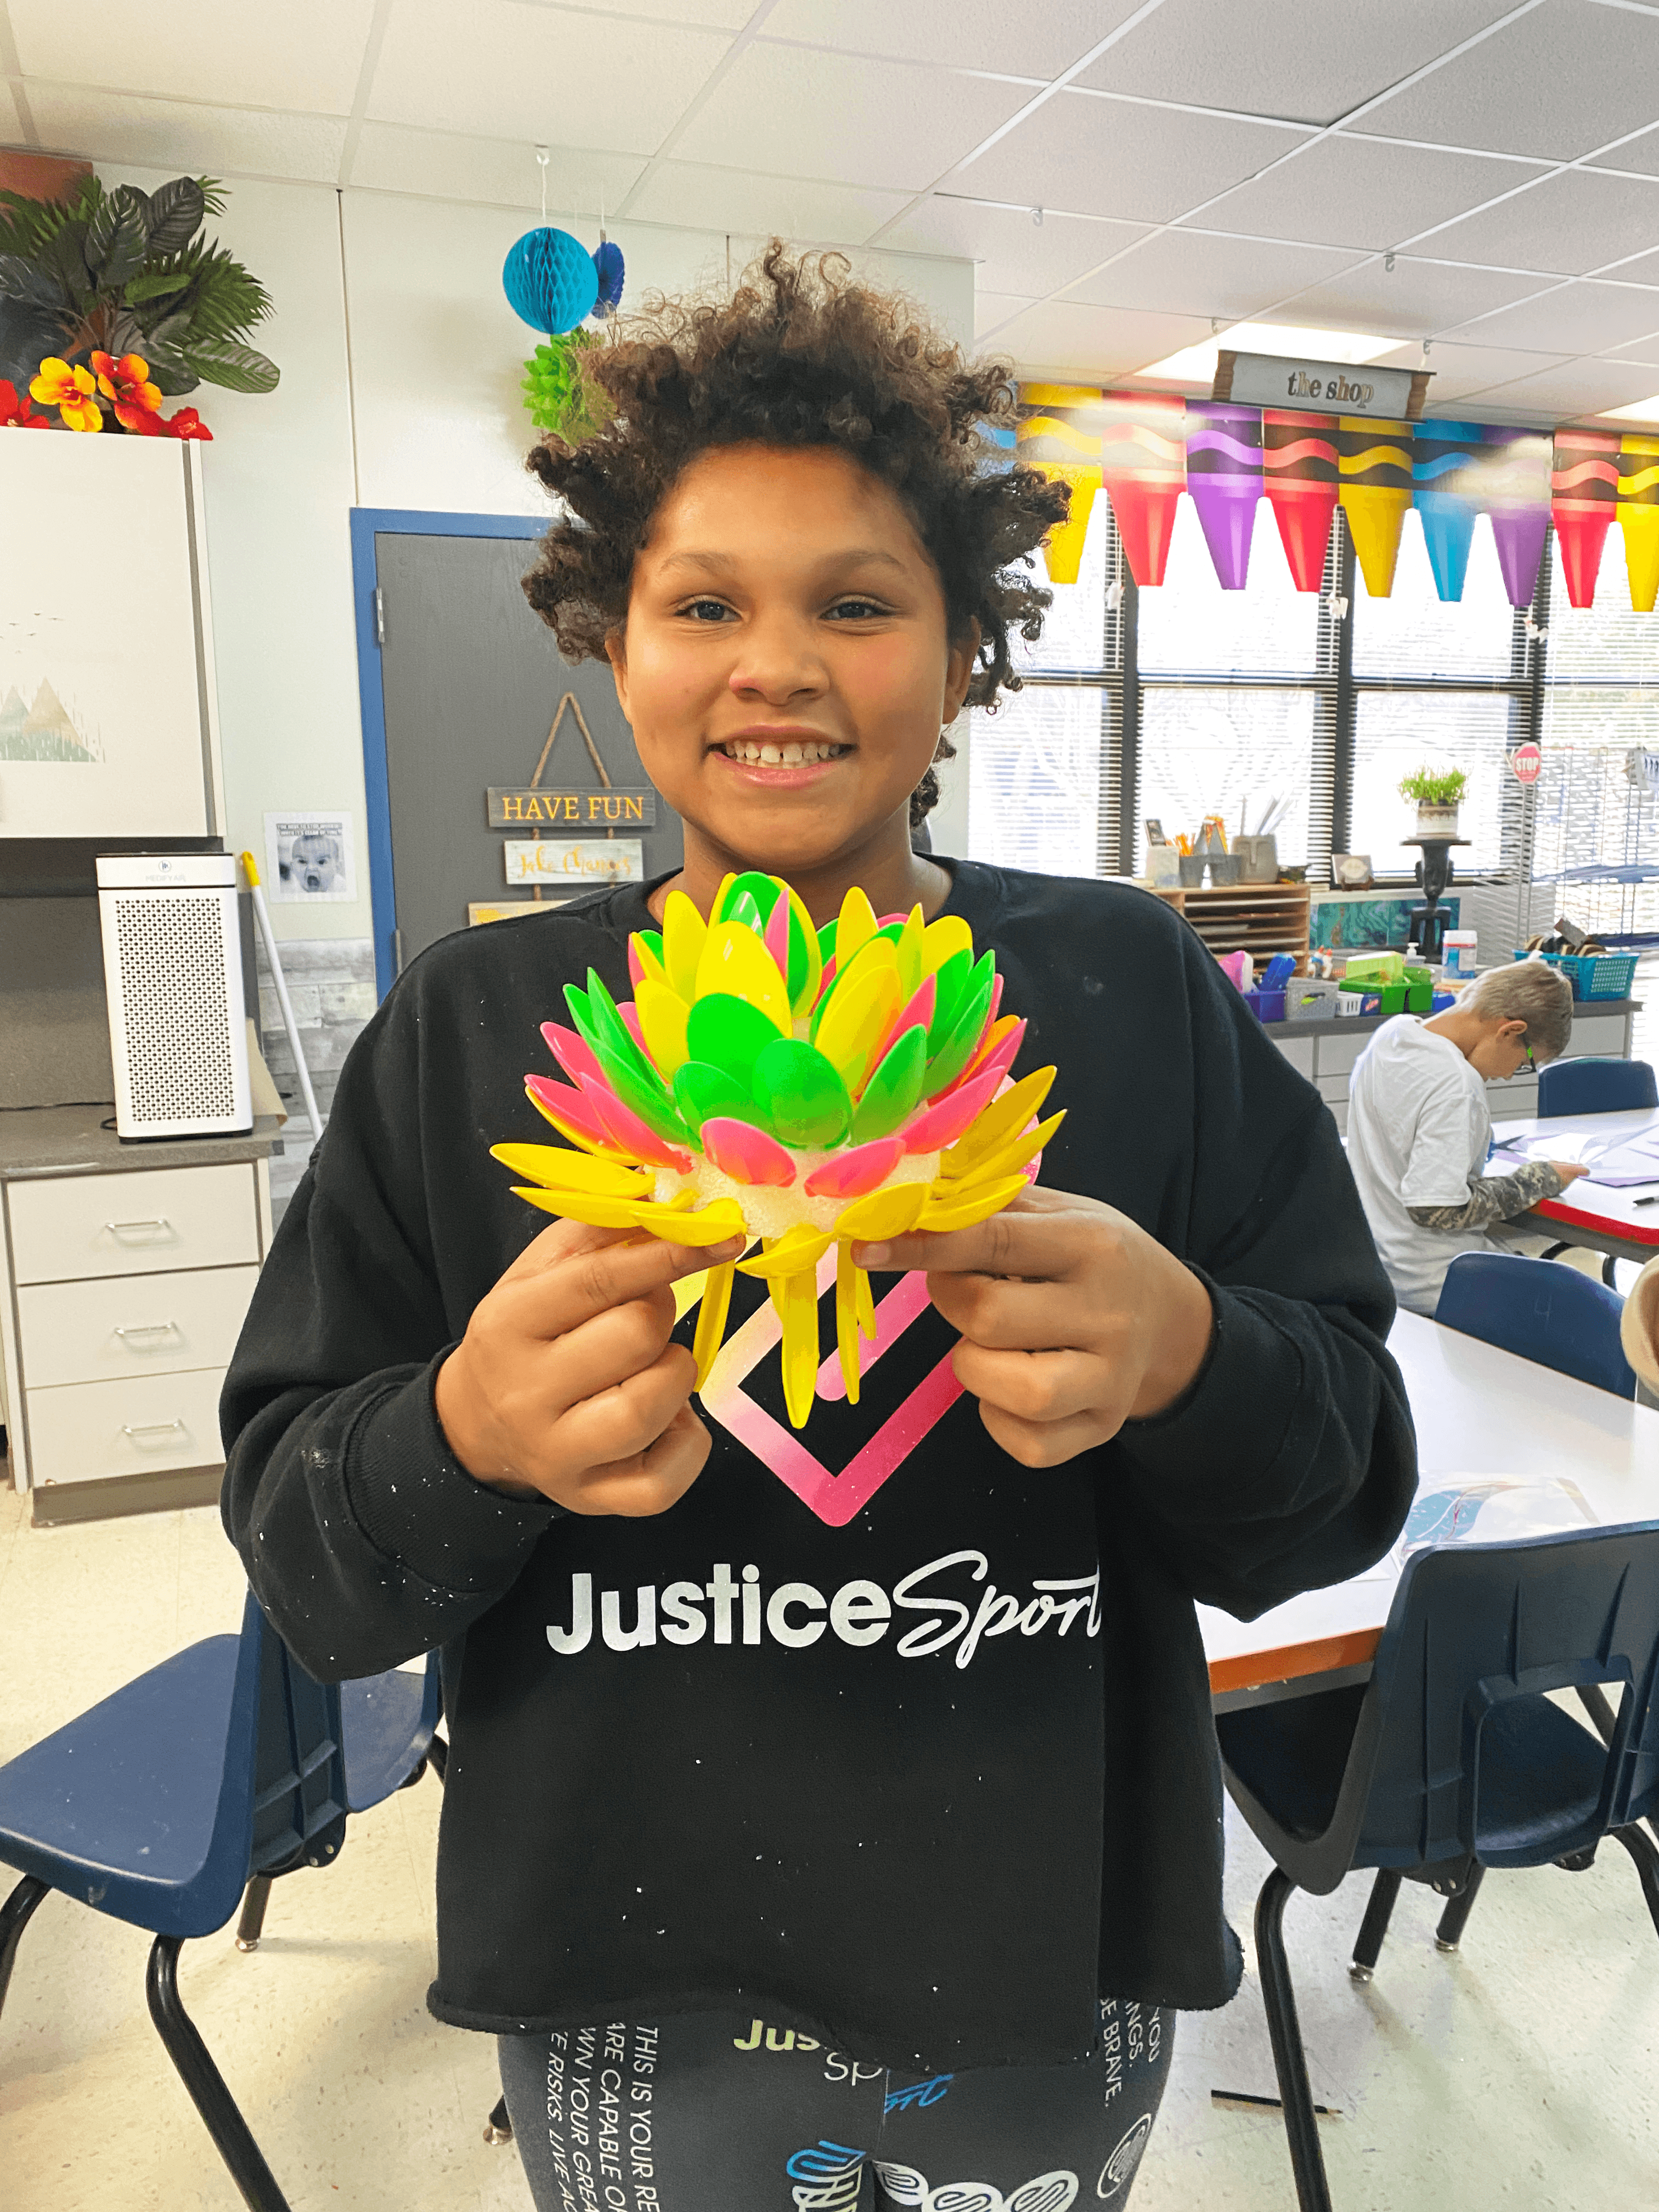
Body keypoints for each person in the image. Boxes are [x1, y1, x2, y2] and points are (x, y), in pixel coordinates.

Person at [221, 247, 1415, 2210]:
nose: (773, 660)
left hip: (1050, 1947)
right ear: (612, 640)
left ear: (960, 655)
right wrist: (467, 1439)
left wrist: (1188, 1351)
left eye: (855, 603)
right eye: (702, 602)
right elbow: (311, 1564)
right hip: (626, 1966)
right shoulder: (468, 1027)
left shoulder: (1126, 986)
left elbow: (1340, 1482)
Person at [1346, 959, 1585, 1319]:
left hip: (1373, 1266)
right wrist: (1537, 1181)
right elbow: (1436, 1209)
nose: (1508, 1076)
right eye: (1525, 1062)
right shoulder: (1457, 1084)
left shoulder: (1392, 1035)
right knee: (1581, 1305)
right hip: (1434, 1280)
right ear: (1510, 1030)